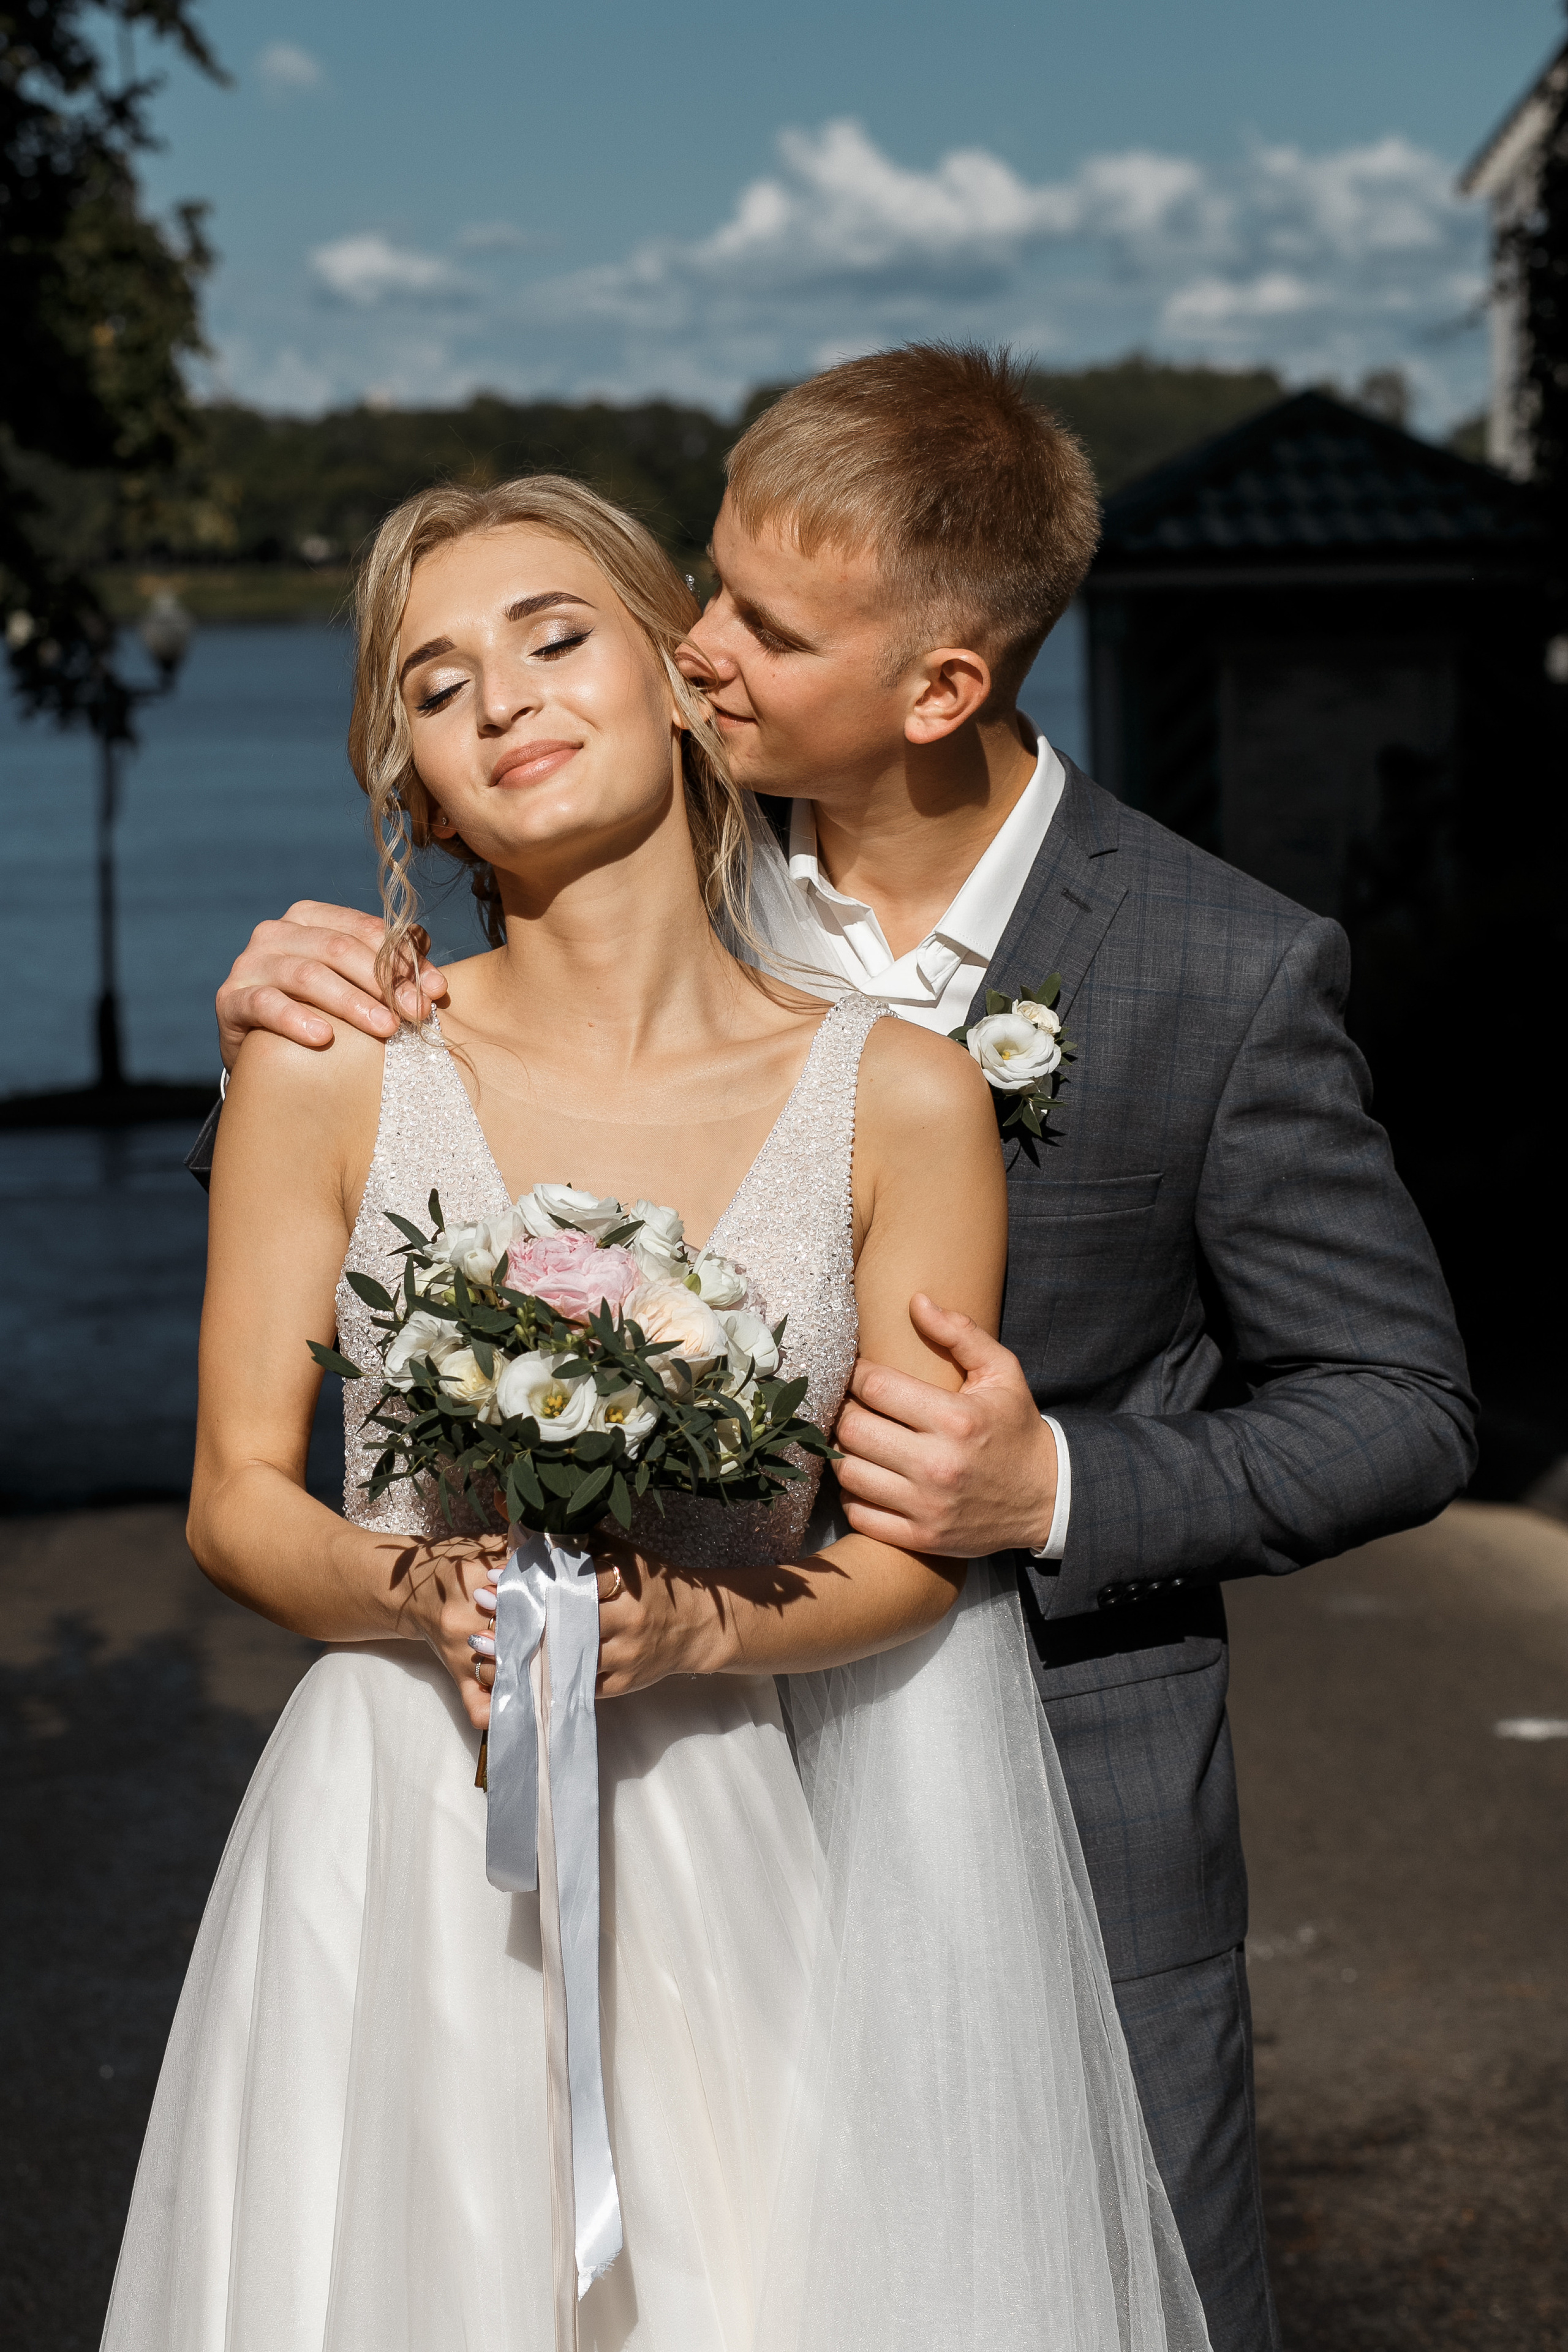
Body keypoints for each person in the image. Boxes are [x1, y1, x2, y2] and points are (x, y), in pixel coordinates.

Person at [203, 345, 1478, 2352]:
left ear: (938, 686)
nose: (701, 647)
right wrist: (292, 1008)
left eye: (763, 629)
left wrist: (1049, 1483)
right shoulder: (651, 858)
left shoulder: (1215, 972)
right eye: (703, 589)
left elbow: (1402, 1404)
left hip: (1033, 1824)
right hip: (559, 1803)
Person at [107, 473, 1209, 2351]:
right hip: (397, 1820)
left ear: (682, 680)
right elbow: (235, 1500)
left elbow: (911, 1561)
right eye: (436, 686)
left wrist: (697, 1624)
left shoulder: (907, 1099)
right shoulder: (332, 1069)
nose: (503, 700)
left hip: (719, 1814)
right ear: (414, 787)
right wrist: (421, 1595)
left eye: (556, 638)